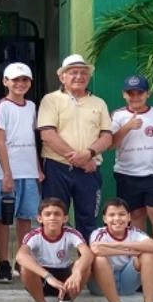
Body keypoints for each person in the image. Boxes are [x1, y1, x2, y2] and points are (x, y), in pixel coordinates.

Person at [110, 75, 153, 282]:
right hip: (127, 174)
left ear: (147, 93)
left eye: (139, 92)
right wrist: (127, 127)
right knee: (136, 215)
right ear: (124, 95)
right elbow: (111, 144)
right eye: (130, 93)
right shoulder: (118, 116)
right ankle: (140, 262)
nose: (135, 97)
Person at [37, 54, 113, 241]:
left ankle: (86, 266)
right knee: (54, 217)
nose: (79, 76)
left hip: (90, 169)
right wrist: (79, 159)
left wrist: (88, 154)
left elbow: (107, 136)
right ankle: (55, 263)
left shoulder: (99, 103)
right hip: (57, 168)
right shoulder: (50, 100)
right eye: (73, 73)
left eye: (83, 73)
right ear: (62, 77)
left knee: (88, 219)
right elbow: (47, 134)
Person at [0, 62, 42, 284]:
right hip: (5, 172)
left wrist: (38, 167)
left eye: (24, 80)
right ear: (5, 82)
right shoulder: (1, 106)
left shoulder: (31, 106)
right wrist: (7, 173)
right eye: (15, 80)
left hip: (28, 171)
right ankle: (3, 262)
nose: (20, 84)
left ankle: (23, 259)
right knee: (4, 217)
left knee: (25, 217)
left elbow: (33, 138)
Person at [88, 198, 153, 302]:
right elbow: (97, 249)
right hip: (100, 286)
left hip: (128, 282)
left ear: (129, 217)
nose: (117, 219)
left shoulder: (135, 233)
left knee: (148, 255)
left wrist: (119, 244)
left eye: (121, 214)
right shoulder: (98, 233)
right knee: (99, 259)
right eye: (112, 215)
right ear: (104, 218)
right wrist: (133, 250)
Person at [16, 198, 93, 302]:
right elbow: (20, 256)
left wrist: (77, 272)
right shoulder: (34, 235)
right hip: (42, 278)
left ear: (65, 218)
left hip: (65, 278)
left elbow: (87, 254)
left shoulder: (71, 233)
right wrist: (48, 277)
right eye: (48, 214)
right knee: (26, 266)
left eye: (57, 214)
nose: (52, 218)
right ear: (40, 219)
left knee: (85, 265)